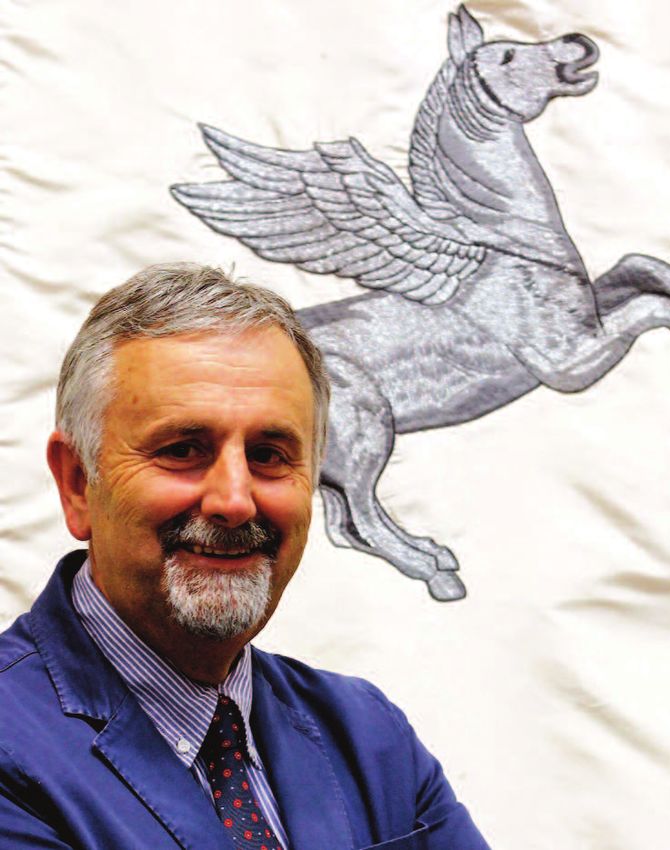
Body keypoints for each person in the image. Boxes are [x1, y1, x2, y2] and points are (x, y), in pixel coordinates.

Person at [0, 263, 490, 849]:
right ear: (78, 483)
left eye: (269, 455)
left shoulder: (371, 740)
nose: (234, 500)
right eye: (183, 449)